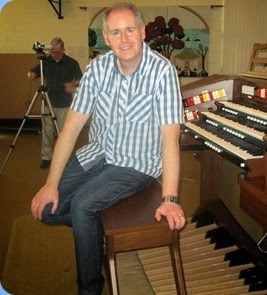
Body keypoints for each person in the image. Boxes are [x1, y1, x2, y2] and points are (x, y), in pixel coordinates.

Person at [30, 2, 186, 294]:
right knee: (47, 209)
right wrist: (51, 183)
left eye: (130, 30)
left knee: (82, 206)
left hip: (136, 164)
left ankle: (89, 288)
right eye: (116, 32)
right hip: (98, 153)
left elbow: (170, 140)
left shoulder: (162, 72)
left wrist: (170, 197)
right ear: (106, 37)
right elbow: (72, 128)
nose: (124, 39)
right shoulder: (97, 69)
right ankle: (95, 229)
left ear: (142, 31)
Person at [27, 37, 83, 169]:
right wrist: (31, 75)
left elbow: (80, 79)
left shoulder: (71, 63)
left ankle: (63, 157)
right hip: (48, 102)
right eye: (52, 52)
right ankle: (46, 156)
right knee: (47, 131)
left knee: (64, 132)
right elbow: (32, 73)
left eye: (57, 52)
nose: (54, 55)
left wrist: (73, 83)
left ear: (63, 50)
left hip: (64, 103)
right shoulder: (45, 62)